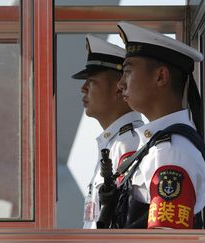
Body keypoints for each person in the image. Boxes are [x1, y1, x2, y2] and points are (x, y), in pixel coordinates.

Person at [110, 22, 205, 229]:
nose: (120, 84)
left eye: (127, 72)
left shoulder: (170, 151)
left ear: (160, 76)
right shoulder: (158, 146)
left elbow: (166, 236)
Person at [71, 34, 143, 229]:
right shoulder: (114, 143)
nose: (83, 88)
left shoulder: (128, 144)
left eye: (92, 81)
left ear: (119, 89)